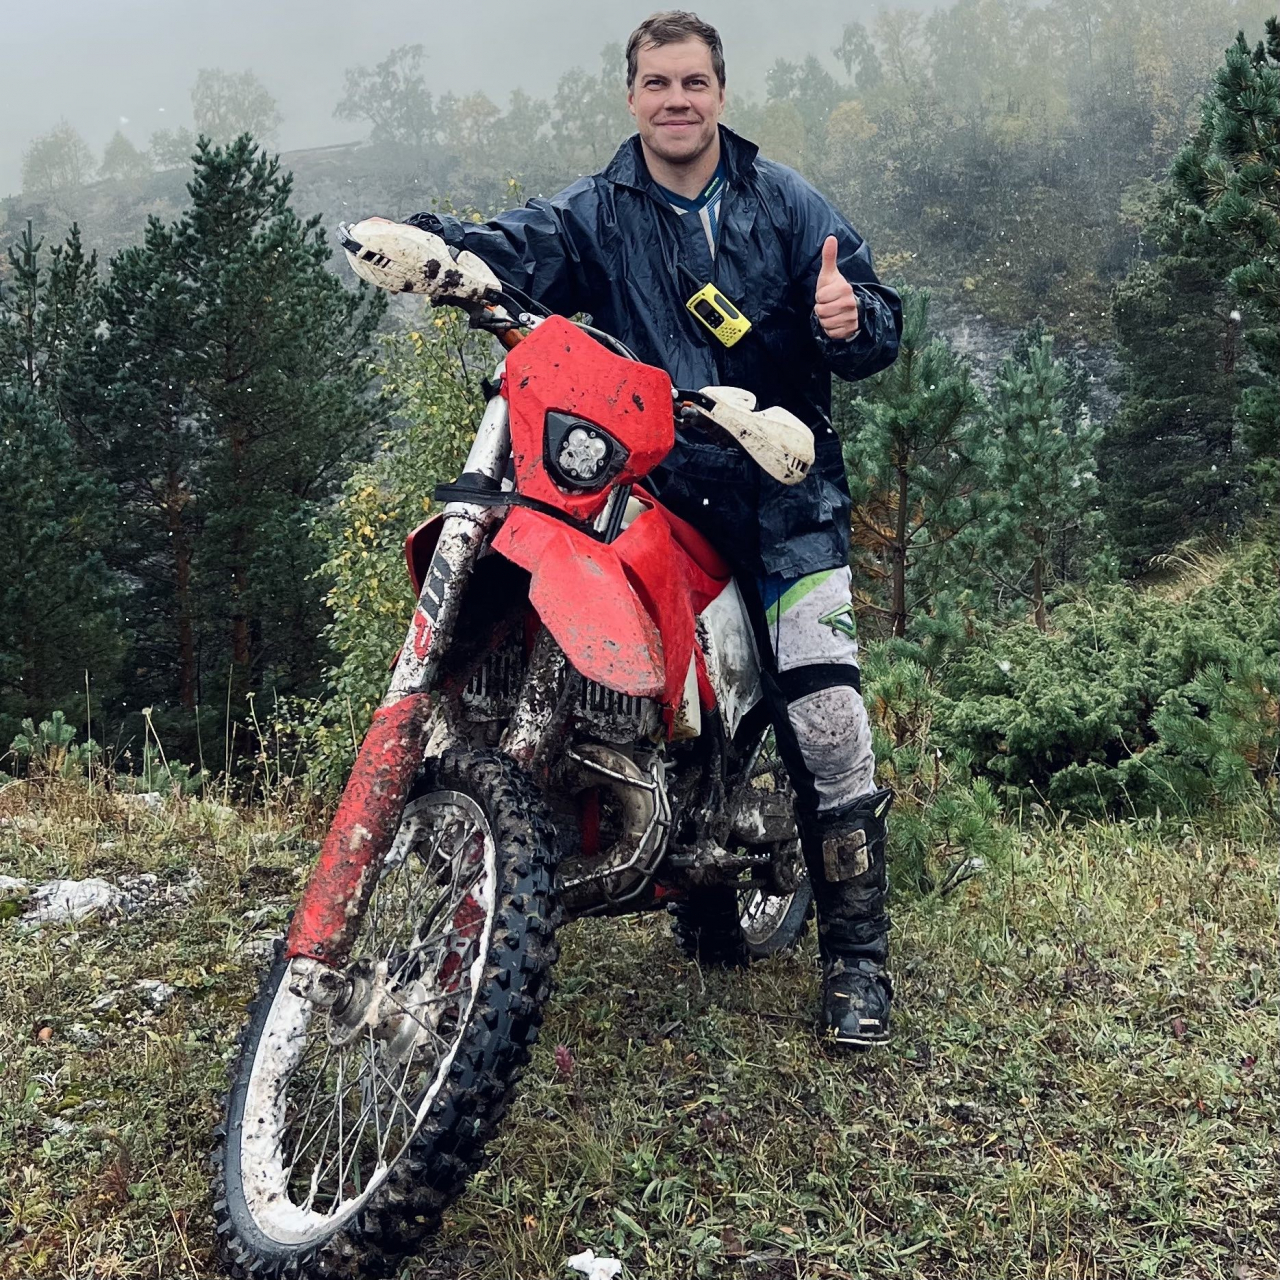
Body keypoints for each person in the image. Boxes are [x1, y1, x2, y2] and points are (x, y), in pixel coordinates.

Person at [404, 11, 903, 1049]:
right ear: (632, 96)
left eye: (693, 82)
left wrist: (852, 319)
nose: (677, 100)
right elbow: (522, 247)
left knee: (825, 716)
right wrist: (447, 248)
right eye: (658, 83)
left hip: (787, 497)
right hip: (660, 489)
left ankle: (857, 959)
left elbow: (873, 319)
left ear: (720, 93)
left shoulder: (785, 202)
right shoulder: (601, 210)